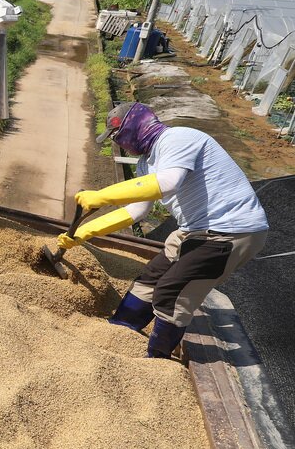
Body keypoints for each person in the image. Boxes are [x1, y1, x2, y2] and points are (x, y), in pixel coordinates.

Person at [58, 102, 268, 359]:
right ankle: (121, 329)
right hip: (194, 231)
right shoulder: (146, 163)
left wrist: (103, 196)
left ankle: (157, 359)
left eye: (119, 136)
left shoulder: (179, 138)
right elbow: (136, 212)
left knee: (172, 291)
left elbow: (167, 184)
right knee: (149, 279)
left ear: (135, 126)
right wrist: (84, 232)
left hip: (231, 231)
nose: (121, 143)